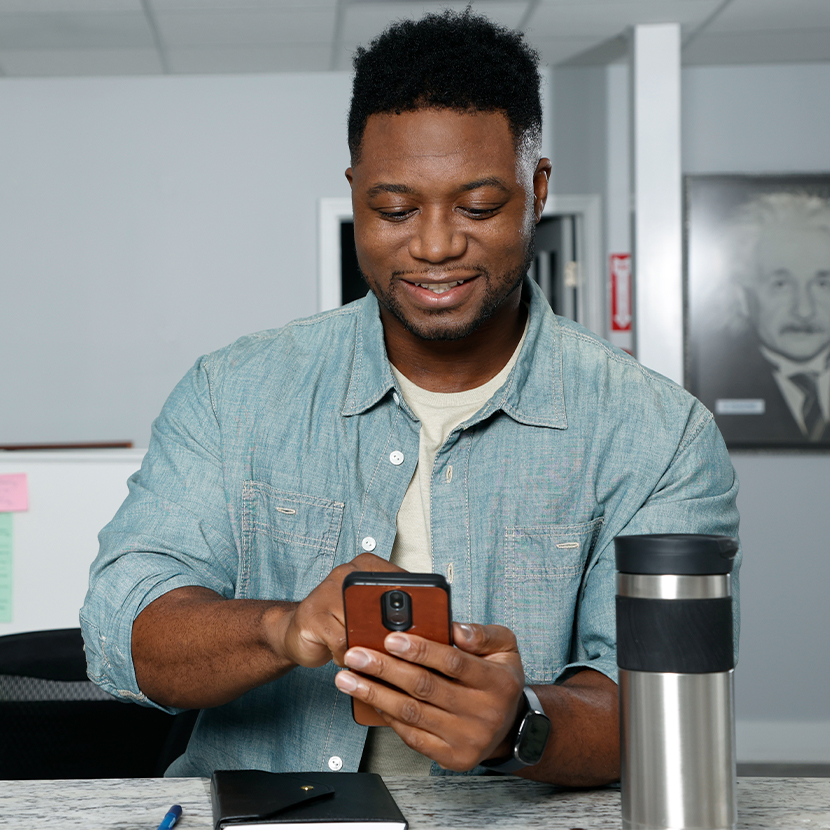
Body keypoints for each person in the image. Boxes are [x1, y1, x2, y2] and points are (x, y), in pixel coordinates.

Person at [81, 10, 739, 785]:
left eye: (479, 207)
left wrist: (520, 723)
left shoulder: (660, 435)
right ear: (356, 192)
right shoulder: (234, 394)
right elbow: (121, 629)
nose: (433, 245)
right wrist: (282, 628)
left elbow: (669, 707)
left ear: (538, 190)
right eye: (394, 210)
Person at [695, 192, 830, 446]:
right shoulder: (709, 392)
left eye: (823, 283)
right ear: (742, 297)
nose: (804, 310)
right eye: (781, 284)